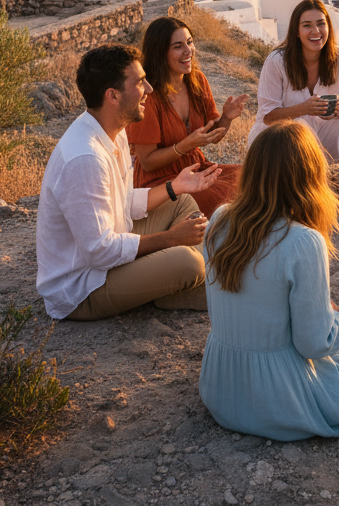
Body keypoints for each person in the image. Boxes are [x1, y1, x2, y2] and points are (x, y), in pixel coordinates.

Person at [199, 121, 339, 441]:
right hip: (282, 400)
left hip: (222, 391)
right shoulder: (302, 241)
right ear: (309, 177)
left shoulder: (219, 219)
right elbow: (315, 345)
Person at [37, 44, 222, 321]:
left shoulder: (113, 130)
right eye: (139, 83)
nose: (149, 89)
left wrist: (175, 186)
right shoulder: (85, 158)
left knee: (181, 200)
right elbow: (99, 252)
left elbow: (122, 202)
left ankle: (174, 282)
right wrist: (170, 239)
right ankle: (190, 282)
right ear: (112, 95)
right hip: (84, 287)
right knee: (188, 262)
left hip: (109, 253)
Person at [249, 0, 339, 225]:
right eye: (307, 25)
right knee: (300, 125)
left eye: (321, 23)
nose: (316, 31)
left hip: (319, 130)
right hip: (276, 140)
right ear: (296, 31)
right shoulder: (277, 61)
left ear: (328, 27)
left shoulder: (338, 57)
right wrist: (304, 108)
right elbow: (268, 116)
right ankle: (311, 197)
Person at [128, 17, 247, 216]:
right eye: (178, 46)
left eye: (190, 42)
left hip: (196, 167)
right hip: (161, 181)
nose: (188, 51)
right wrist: (185, 145)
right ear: (160, 53)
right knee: (221, 200)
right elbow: (147, 162)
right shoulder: (148, 96)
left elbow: (213, 136)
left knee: (252, 177)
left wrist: (227, 118)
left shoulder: (197, 81)